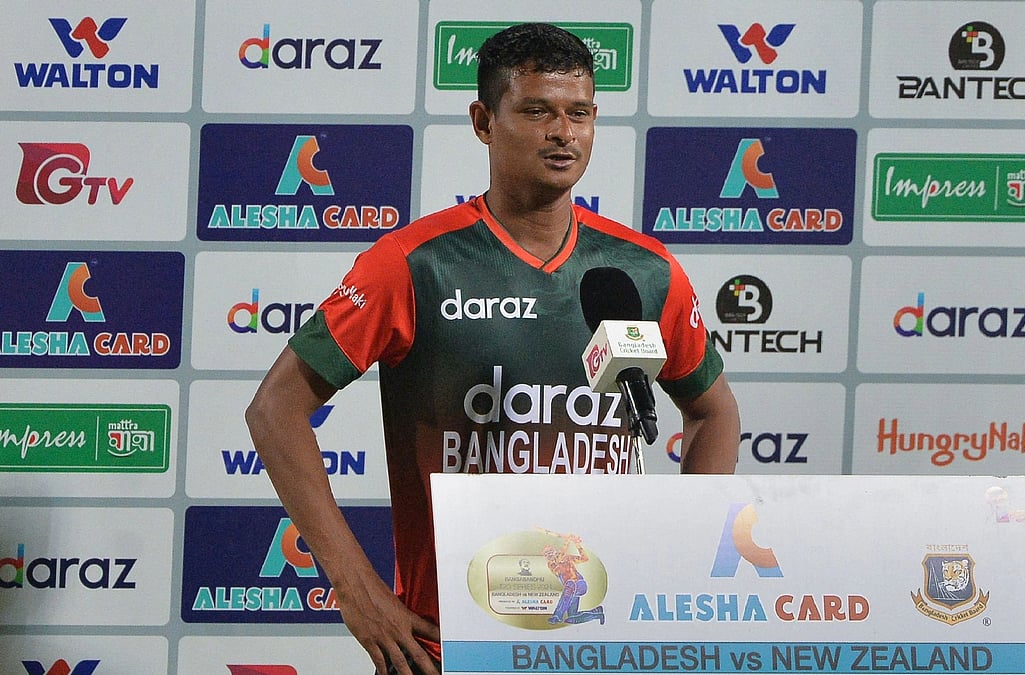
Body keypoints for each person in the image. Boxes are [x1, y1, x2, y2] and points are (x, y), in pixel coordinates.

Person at [244, 22, 740, 675]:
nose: (563, 133)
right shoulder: (413, 263)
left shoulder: (644, 271)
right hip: (449, 643)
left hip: (607, 636)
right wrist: (356, 588)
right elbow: (275, 409)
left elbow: (713, 410)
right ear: (484, 122)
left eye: (580, 113)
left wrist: (690, 554)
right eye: (537, 111)